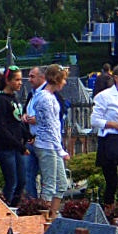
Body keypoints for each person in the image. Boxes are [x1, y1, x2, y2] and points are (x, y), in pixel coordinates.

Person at [90, 63, 118, 206]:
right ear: (116, 77)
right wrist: (114, 124)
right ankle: (108, 211)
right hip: (110, 141)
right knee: (112, 182)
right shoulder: (104, 96)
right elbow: (95, 120)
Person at [30, 63, 70, 220]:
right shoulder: (45, 99)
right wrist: (60, 150)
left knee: (61, 185)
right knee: (49, 186)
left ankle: (52, 217)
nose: (65, 83)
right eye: (64, 79)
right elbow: (50, 125)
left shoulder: (49, 97)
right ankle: (42, 221)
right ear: (57, 79)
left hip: (52, 145)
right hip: (47, 146)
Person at [0, 66, 28, 208]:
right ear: (8, 81)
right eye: (17, 79)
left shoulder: (14, 97)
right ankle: (5, 209)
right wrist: (20, 146)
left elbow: (17, 122)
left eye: (21, 79)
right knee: (11, 182)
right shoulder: (1, 100)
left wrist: (27, 134)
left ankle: (14, 208)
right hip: (5, 147)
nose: (20, 83)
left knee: (22, 181)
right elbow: (2, 127)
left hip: (16, 146)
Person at [21, 66, 46, 200]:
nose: (28, 80)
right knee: (28, 175)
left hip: (44, 142)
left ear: (42, 77)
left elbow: (60, 113)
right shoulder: (32, 94)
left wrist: (38, 119)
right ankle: (33, 205)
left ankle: (46, 208)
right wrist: (25, 116)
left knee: (46, 178)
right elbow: (25, 111)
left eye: (32, 76)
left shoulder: (50, 93)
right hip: (32, 140)